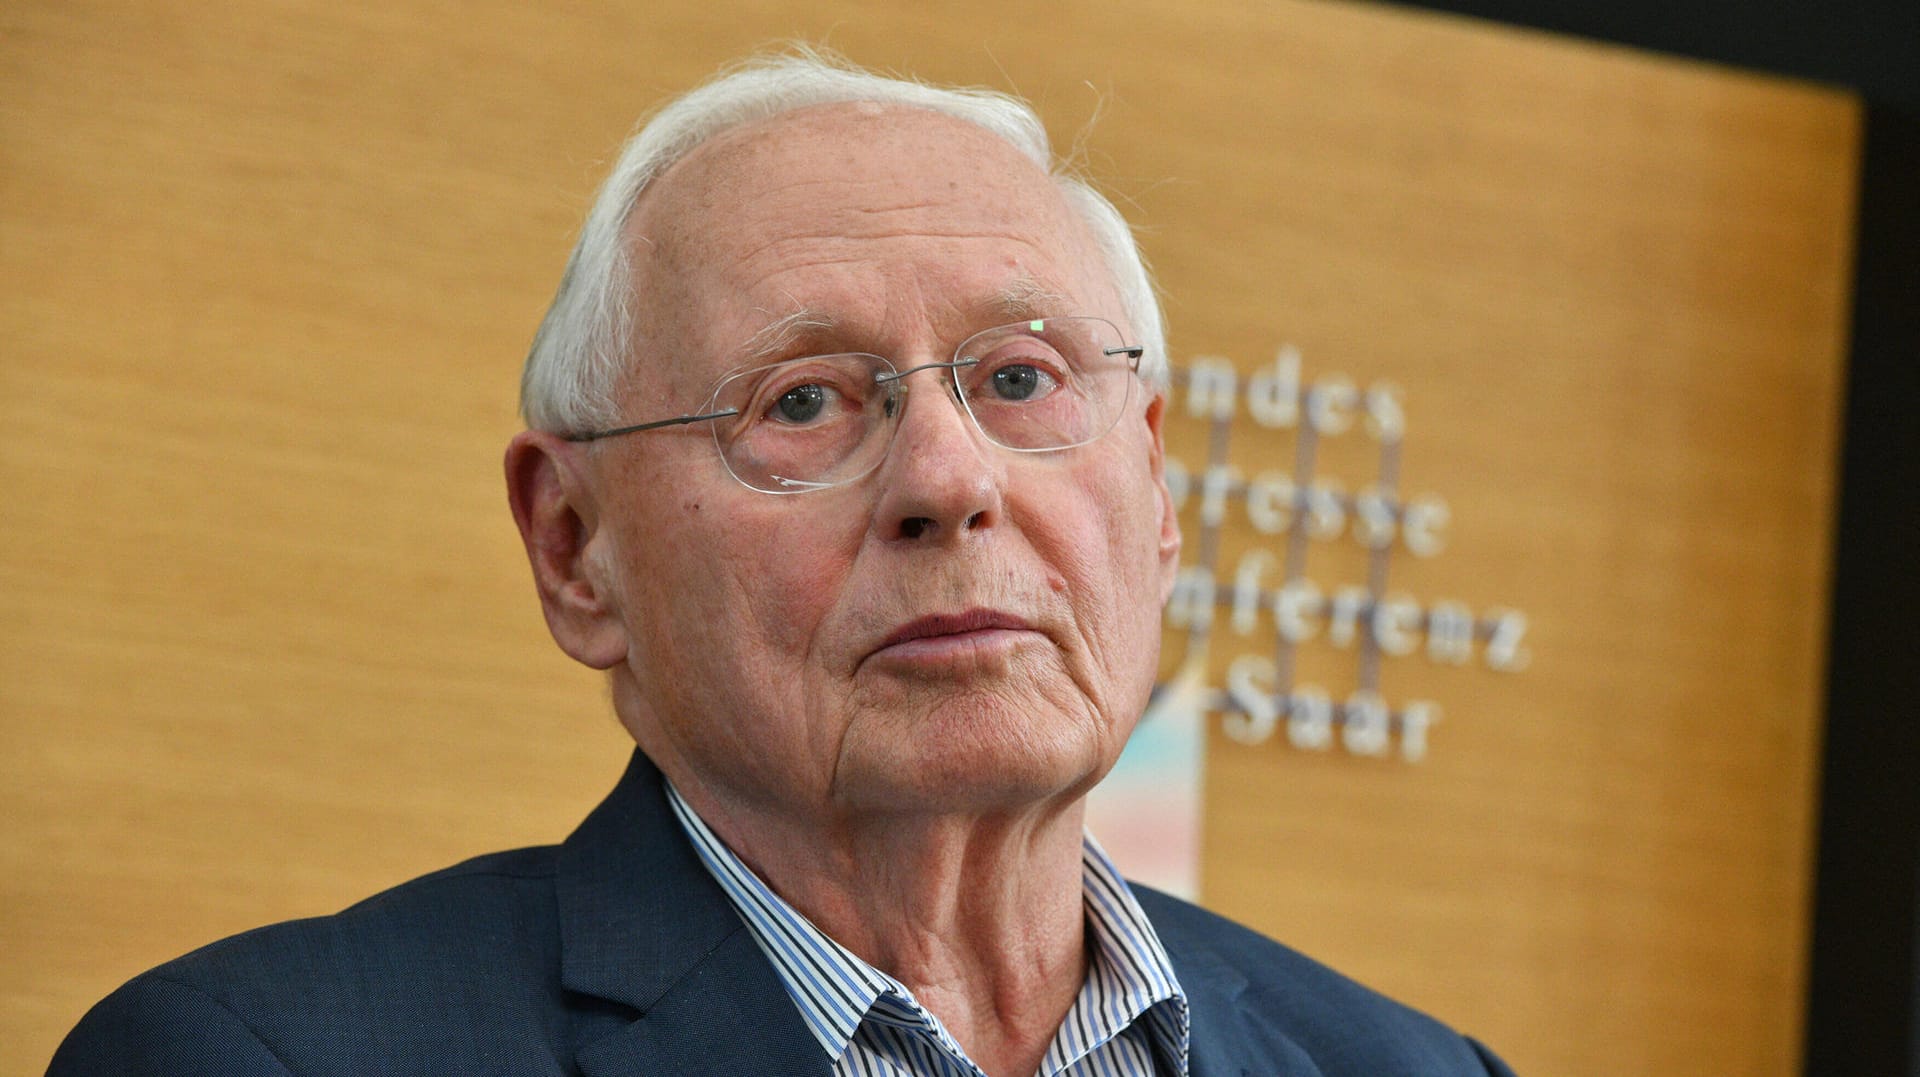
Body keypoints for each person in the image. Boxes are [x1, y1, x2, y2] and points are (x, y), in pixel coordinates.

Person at [51, 52, 1514, 1076]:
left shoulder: (1415, 1066)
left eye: (1018, 380)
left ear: (1159, 493)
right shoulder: (262, 1057)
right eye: (802, 400)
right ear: (575, 550)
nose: (948, 480)